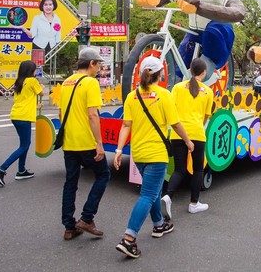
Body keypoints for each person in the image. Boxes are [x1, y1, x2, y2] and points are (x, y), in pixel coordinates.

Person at [114, 56, 194, 259]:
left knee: (155, 190)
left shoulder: (133, 96)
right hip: (156, 154)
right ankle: (129, 238)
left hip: (138, 154)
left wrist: (118, 150)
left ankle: (158, 225)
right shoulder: (164, 94)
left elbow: (126, 125)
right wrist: (188, 141)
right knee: (148, 195)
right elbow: (175, 124)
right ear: (161, 74)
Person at [135, 0, 246, 85]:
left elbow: (239, 11)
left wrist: (200, 7)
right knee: (178, 65)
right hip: (193, 32)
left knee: (215, 29)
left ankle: (209, 67)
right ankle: (176, 84)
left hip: (214, 33)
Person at [59, 47, 110, 241]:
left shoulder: (66, 82)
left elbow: (61, 114)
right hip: (86, 142)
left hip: (69, 142)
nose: (99, 69)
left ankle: (69, 227)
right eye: (99, 64)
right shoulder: (90, 83)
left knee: (70, 183)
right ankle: (87, 218)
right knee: (103, 175)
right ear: (91, 63)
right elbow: (92, 114)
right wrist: (99, 143)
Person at [162, 58, 214, 219]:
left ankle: (168, 196)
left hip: (178, 134)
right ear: (204, 72)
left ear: (190, 70)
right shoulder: (208, 91)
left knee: (179, 169)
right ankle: (194, 203)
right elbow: (206, 117)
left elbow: (171, 110)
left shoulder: (177, 88)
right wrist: (197, 125)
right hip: (197, 134)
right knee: (198, 169)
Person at [0, 61, 44, 186]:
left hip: (16, 115)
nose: (36, 71)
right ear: (31, 70)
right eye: (35, 69)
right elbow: (41, 93)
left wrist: (36, 107)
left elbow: (22, 101)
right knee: (24, 146)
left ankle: (21, 171)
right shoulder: (32, 81)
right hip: (24, 117)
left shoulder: (18, 82)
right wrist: (41, 88)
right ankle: (2, 168)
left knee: (24, 144)